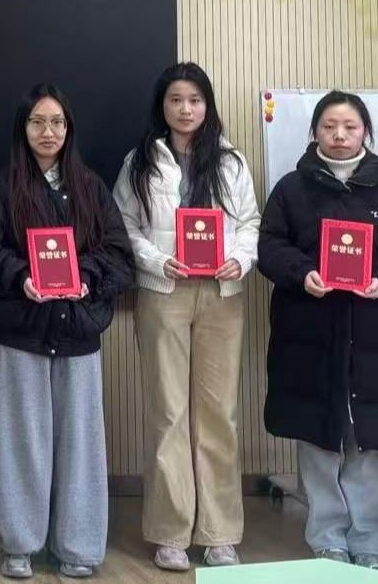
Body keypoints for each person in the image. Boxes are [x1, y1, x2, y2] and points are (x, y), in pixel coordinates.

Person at [257, 91, 378, 570]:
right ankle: (327, 538)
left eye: (350, 126)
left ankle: (368, 543)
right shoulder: (291, 189)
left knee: (367, 445)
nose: (339, 135)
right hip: (309, 336)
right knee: (319, 442)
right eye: (329, 126)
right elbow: (269, 246)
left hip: (375, 341)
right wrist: (301, 273)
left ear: (365, 132)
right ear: (314, 132)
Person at [0, 84, 134, 580]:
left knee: (80, 444)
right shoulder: (0, 186)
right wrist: (21, 277)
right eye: (38, 122)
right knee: (19, 441)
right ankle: (18, 544)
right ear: (22, 129)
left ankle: (78, 546)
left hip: (77, 333)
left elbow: (118, 254)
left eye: (57, 122)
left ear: (69, 129)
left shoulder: (90, 186)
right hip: (20, 331)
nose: (48, 132)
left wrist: (85, 277)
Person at [112, 62, 260, 572]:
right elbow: (124, 225)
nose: (185, 109)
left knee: (218, 414)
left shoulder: (231, 161)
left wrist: (239, 259)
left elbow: (250, 222)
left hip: (222, 294)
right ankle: (171, 532)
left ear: (207, 106)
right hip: (164, 293)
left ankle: (219, 533)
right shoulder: (140, 162)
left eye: (195, 100)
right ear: (163, 105)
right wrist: (156, 261)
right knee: (169, 412)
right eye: (175, 99)